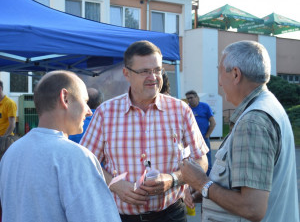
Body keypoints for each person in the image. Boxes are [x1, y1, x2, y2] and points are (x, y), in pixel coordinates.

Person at [80, 40, 209, 222]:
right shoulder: (105, 112)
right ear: (127, 74)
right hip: (121, 217)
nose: (153, 77)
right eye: (144, 71)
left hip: (171, 214)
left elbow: (201, 160)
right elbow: (86, 162)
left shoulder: (180, 110)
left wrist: (173, 179)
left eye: (157, 70)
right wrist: (115, 184)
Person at [180, 40, 299, 222]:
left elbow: (252, 208)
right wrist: (209, 192)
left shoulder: (252, 121)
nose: (219, 83)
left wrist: (202, 183)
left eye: (220, 73)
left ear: (235, 74)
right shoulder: (267, 104)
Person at [0, 70, 121, 222]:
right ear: (65, 98)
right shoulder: (76, 157)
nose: (89, 111)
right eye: (85, 101)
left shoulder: (12, 152)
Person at [185, 90, 216, 175]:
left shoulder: (205, 106)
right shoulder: (187, 108)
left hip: (204, 139)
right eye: (188, 99)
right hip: (191, 140)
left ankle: (208, 179)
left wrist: (206, 136)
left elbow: (213, 122)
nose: (189, 100)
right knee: (193, 160)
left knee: (207, 160)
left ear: (197, 97)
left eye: (191, 98)